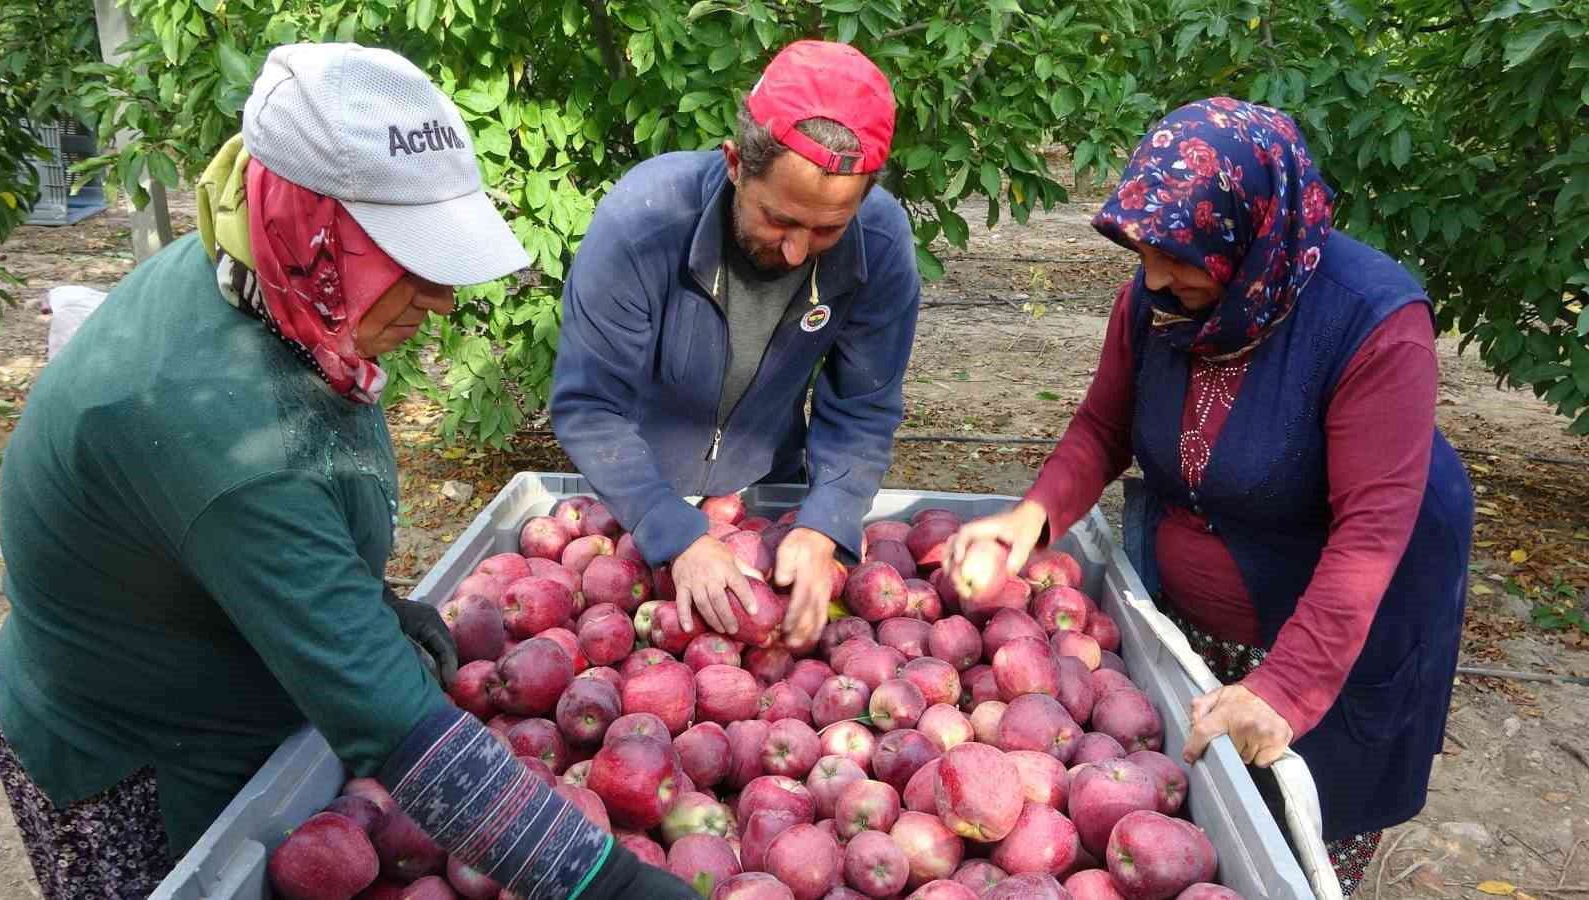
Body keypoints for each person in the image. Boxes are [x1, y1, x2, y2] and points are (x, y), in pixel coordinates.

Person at [0, 43, 692, 900]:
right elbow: (390, 723)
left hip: (220, 657)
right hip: (136, 743)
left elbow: (259, 511)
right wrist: (610, 885)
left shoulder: (262, 276)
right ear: (307, 227)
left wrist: (367, 602)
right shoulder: (208, 418)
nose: (442, 299)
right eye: (410, 257)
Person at [945, 98, 1473, 895]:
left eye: (1177, 258)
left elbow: (1368, 537)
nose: (1153, 276)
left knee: (1298, 835)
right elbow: (1101, 427)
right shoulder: (1157, 296)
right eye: (1145, 253)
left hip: (1329, 624)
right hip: (1195, 616)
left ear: (1254, 234)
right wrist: (1033, 514)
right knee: (1188, 833)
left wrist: (1286, 688)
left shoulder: (1373, 322)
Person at [549, 40, 921, 652]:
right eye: (780, 220)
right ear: (734, 164)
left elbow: (863, 406)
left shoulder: (878, 244)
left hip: (764, 492)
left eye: (828, 228)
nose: (799, 250)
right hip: (630, 494)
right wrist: (673, 531)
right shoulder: (644, 223)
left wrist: (826, 520)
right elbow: (590, 404)